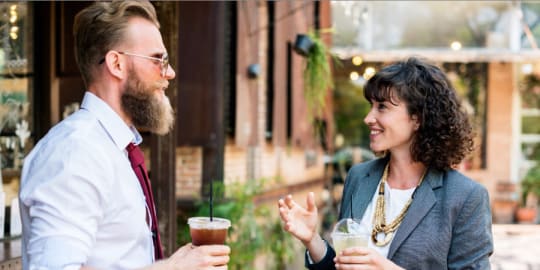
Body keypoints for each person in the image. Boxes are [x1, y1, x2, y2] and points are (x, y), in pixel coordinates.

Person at [19, 1, 230, 269]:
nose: (170, 73)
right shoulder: (75, 152)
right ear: (116, 64)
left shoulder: (115, 148)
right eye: (158, 59)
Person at [278, 57, 493, 269]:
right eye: (371, 106)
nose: (368, 118)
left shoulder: (466, 197)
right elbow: (344, 265)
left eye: (382, 107)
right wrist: (312, 239)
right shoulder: (359, 177)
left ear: (417, 118)